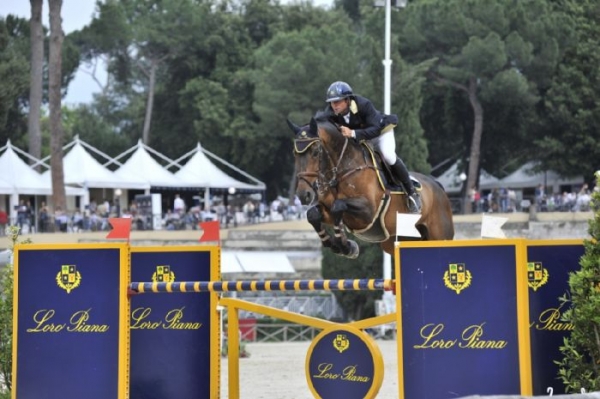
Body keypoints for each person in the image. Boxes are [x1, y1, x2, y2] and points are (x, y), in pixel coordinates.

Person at [319, 81, 421, 213]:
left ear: (347, 100)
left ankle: (411, 192)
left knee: (388, 155)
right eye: (332, 102)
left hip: (380, 134)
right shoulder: (331, 112)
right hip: (360, 139)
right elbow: (319, 123)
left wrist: (353, 133)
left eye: (338, 101)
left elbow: (375, 129)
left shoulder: (363, 104)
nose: (334, 105)